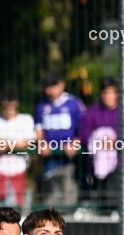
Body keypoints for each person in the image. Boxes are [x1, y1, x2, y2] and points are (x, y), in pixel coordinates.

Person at [80, 77, 124, 213]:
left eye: (111, 92)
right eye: (105, 93)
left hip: (120, 164)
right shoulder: (92, 112)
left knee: (115, 199)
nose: (108, 96)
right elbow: (84, 134)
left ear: (117, 94)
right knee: (99, 200)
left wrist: (115, 141)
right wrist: (98, 141)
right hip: (95, 165)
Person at [35, 72, 86, 208]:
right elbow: (39, 129)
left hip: (70, 161)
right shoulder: (42, 106)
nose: (49, 90)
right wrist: (42, 143)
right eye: (47, 87)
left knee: (69, 196)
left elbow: (83, 128)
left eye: (53, 86)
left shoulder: (74, 104)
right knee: (50, 200)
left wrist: (75, 143)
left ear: (61, 85)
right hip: (50, 162)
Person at [0, 89, 35, 210]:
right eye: (6, 107)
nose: (9, 110)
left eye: (12, 107)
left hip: (19, 173)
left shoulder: (26, 119)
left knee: (19, 214)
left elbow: (28, 141)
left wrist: (6, 145)